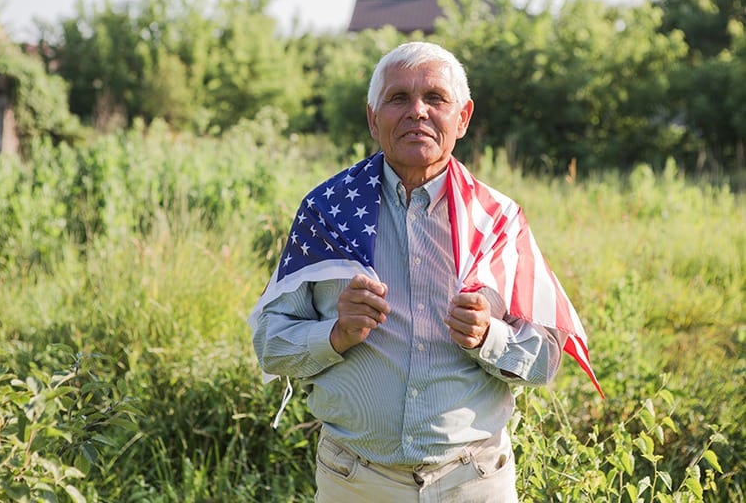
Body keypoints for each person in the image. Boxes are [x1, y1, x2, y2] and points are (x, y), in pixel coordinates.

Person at [250, 41, 598, 502]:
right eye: (398, 98)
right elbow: (270, 346)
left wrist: (488, 337)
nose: (417, 111)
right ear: (373, 118)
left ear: (463, 117)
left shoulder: (497, 222)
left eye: (435, 98)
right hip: (355, 481)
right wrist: (335, 333)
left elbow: (545, 360)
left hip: (474, 480)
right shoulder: (325, 212)